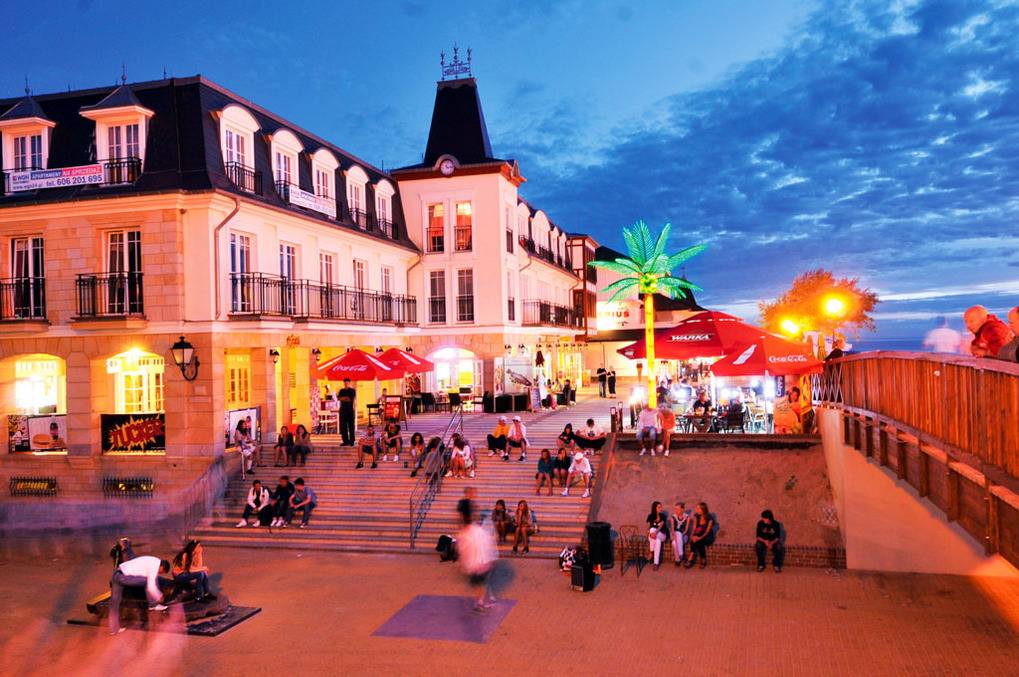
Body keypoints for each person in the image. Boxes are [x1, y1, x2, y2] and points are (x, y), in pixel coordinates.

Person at [108, 555, 171, 635]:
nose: (160, 573)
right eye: (162, 572)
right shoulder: (155, 566)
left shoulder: (152, 560)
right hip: (124, 577)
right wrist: (159, 596)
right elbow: (151, 587)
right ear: (162, 567)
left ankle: (114, 629)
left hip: (117, 574)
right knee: (148, 582)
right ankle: (153, 605)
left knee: (114, 604)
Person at [457, 511, 499, 611]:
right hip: (480, 563)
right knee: (481, 583)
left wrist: (464, 563)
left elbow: (463, 549)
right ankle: (480, 602)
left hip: (476, 563)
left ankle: (480, 601)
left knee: (479, 583)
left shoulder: (466, 534)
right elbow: (485, 544)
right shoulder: (476, 532)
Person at [686, 502, 715, 569]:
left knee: (700, 541)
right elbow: (694, 528)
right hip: (699, 533)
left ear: (703, 509)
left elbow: (707, 531)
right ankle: (702, 559)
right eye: (697, 508)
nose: (697, 510)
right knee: (695, 540)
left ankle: (691, 558)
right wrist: (693, 535)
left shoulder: (709, 518)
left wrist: (700, 538)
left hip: (708, 536)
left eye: (698, 509)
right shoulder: (696, 516)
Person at [646, 501, 669, 571]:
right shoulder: (650, 516)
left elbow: (660, 526)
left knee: (653, 530)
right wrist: (649, 534)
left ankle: (651, 551)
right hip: (654, 536)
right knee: (657, 541)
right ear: (655, 508)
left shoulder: (663, 516)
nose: (661, 508)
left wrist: (654, 533)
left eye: (661, 507)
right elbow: (648, 528)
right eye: (659, 507)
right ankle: (656, 563)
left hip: (662, 534)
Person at [670, 501, 692, 566]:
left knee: (678, 535)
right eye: (675, 509)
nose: (676, 511)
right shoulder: (673, 517)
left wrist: (680, 535)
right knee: (674, 542)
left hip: (684, 536)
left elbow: (686, 530)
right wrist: (675, 536)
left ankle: (678, 558)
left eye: (678, 509)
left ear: (682, 509)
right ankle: (679, 557)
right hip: (674, 535)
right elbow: (672, 530)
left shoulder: (687, 517)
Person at [338, 378, 357, 446]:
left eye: (347, 383)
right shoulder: (341, 390)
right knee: (343, 427)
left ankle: (352, 441)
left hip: (350, 411)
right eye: (345, 383)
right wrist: (345, 398)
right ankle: (345, 441)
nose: (346, 384)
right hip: (342, 411)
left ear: (349, 383)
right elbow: (338, 398)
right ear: (344, 383)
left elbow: (349, 399)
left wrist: (343, 398)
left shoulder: (352, 390)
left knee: (351, 426)